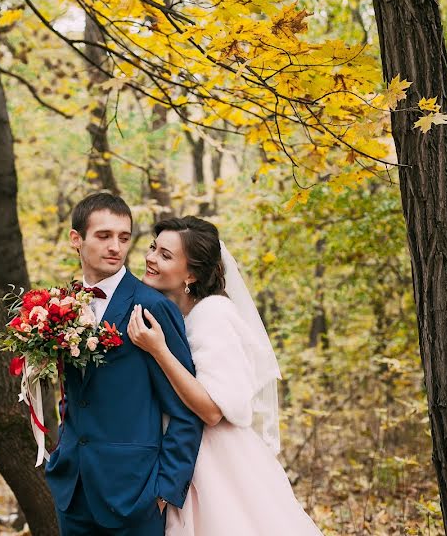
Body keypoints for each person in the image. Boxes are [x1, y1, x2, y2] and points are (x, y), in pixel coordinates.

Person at [128, 216, 323, 536]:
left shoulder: (212, 315)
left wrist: (159, 350)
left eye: (165, 255)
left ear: (190, 273)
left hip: (218, 462)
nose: (150, 258)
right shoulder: (179, 313)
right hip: (186, 455)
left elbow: (213, 409)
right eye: (153, 248)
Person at [45, 193, 204, 536]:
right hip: (73, 489)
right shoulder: (62, 307)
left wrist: (164, 490)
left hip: (135, 493)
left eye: (124, 237)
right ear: (77, 239)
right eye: (103, 236)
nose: (115, 246)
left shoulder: (151, 307)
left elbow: (184, 408)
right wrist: (61, 453)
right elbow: (74, 392)